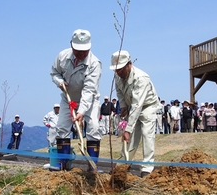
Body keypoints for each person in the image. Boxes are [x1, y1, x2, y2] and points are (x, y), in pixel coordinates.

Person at [50, 29, 102, 171]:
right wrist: (59, 82)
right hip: (68, 98)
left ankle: (93, 166)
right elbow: (54, 73)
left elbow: (89, 90)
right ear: (71, 45)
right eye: (77, 50)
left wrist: (81, 112)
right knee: (61, 127)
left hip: (89, 101)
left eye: (84, 51)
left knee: (94, 129)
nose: (80, 54)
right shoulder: (62, 56)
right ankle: (63, 163)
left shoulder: (94, 64)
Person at [110, 50, 159, 178]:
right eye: (116, 70)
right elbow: (119, 92)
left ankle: (147, 168)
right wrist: (123, 105)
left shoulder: (141, 78)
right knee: (130, 138)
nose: (118, 72)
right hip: (132, 106)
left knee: (147, 134)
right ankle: (124, 164)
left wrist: (128, 129)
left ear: (129, 64)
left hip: (147, 105)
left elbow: (138, 105)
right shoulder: (117, 75)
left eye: (121, 69)